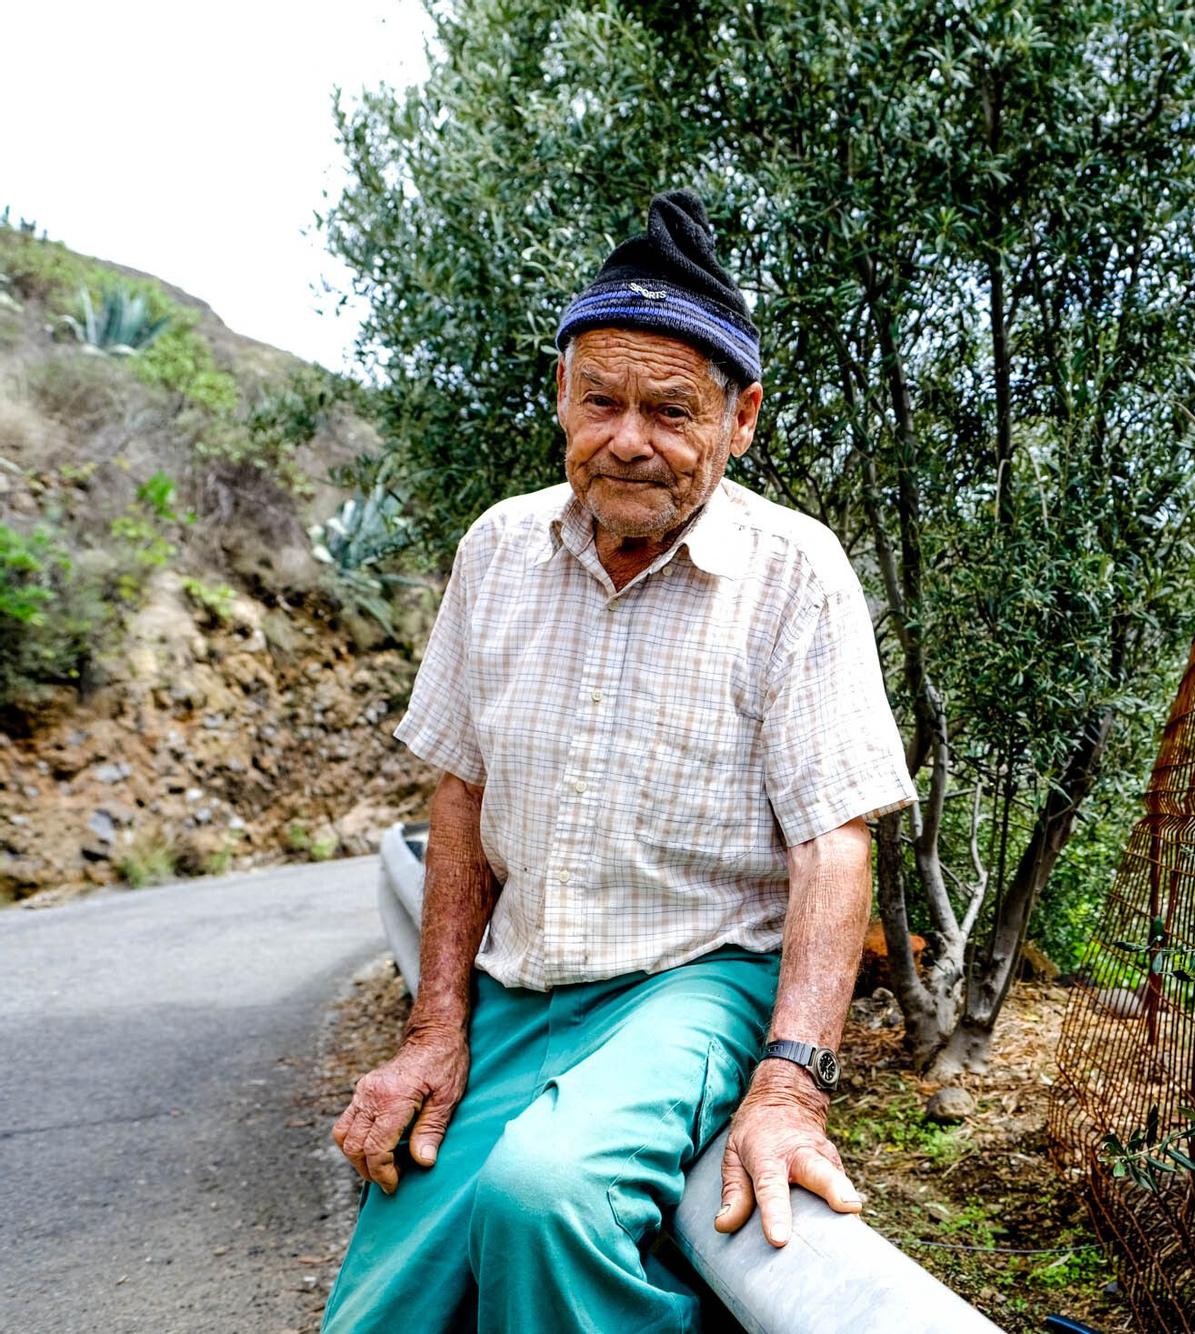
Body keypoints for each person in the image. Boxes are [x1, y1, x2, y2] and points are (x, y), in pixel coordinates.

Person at [320, 190, 917, 1332]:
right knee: (378, 1314)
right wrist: (432, 1025)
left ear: (741, 420)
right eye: (601, 399)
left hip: (694, 979)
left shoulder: (794, 572)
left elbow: (834, 838)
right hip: (519, 980)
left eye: (671, 408)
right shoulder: (499, 547)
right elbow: (462, 789)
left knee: (546, 1196)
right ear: (561, 397)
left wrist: (792, 1084)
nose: (628, 436)